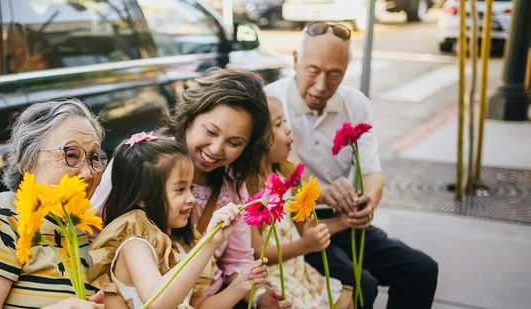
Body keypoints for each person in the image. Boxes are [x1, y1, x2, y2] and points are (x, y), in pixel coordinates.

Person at [264, 22, 439, 309]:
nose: (322, 86)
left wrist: (368, 202)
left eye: (335, 74)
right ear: (295, 60)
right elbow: (264, 175)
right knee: (361, 285)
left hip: (344, 218)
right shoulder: (270, 103)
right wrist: (319, 191)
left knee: (420, 270)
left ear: (346, 70)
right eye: (313, 71)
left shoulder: (356, 104)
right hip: (296, 227)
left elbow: (372, 172)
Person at [90, 68, 292, 308]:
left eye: (234, 143)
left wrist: (257, 298)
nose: (216, 149)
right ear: (190, 117)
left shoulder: (231, 185)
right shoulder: (143, 163)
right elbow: (93, 235)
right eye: (210, 132)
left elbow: (235, 261)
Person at [0, 99, 120, 309]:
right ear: (28, 161)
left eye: (94, 158)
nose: (88, 172)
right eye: (71, 155)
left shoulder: (79, 226)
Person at [90, 133, 278, 309]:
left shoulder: (178, 247)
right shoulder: (135, 246)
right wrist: (209, 243)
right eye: (180, 189)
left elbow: (198, 306)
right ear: (144, 196)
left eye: (191, 188)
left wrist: (240, 285)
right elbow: (158, 302)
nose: (191, 198)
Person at [247, 96, 354, 309]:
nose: (288, 130)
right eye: (278, 125)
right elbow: (257, 252)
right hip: (276, 279)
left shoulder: (285, 175)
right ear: (257, 139)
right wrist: (304, 245)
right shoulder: (251, 191)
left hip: (298, 271)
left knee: (347, 301)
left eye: (284, 121)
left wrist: (344, 221)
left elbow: (301, 227)